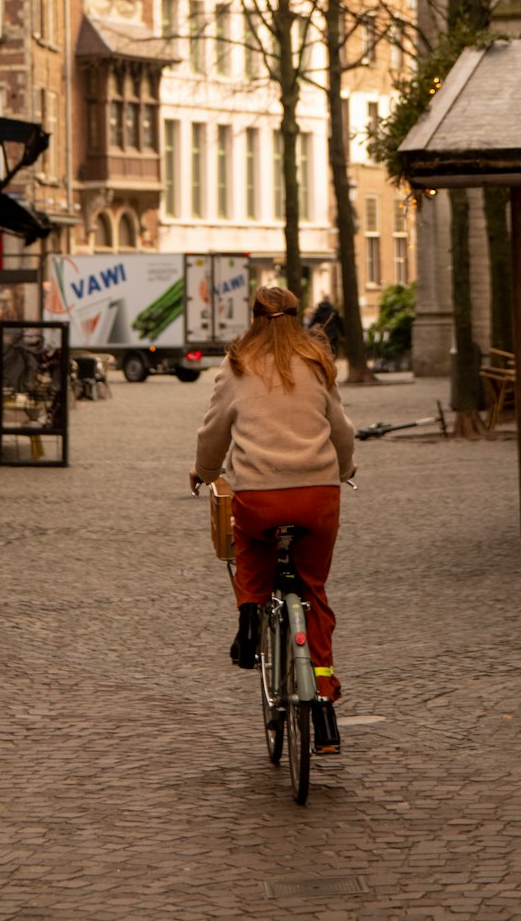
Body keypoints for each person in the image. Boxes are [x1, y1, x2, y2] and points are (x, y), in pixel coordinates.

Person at [190, 283, 356, 728]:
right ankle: (322, 700)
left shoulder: (237, 365)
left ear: (255, 316)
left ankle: (249, 618)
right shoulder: (317, 361)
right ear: (299, 315)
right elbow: (341, 429)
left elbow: (213, 433)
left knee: (249, 551)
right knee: (313, 591)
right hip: (317, 495)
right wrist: (345, 468)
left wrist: (204, 473)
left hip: (258, 495)